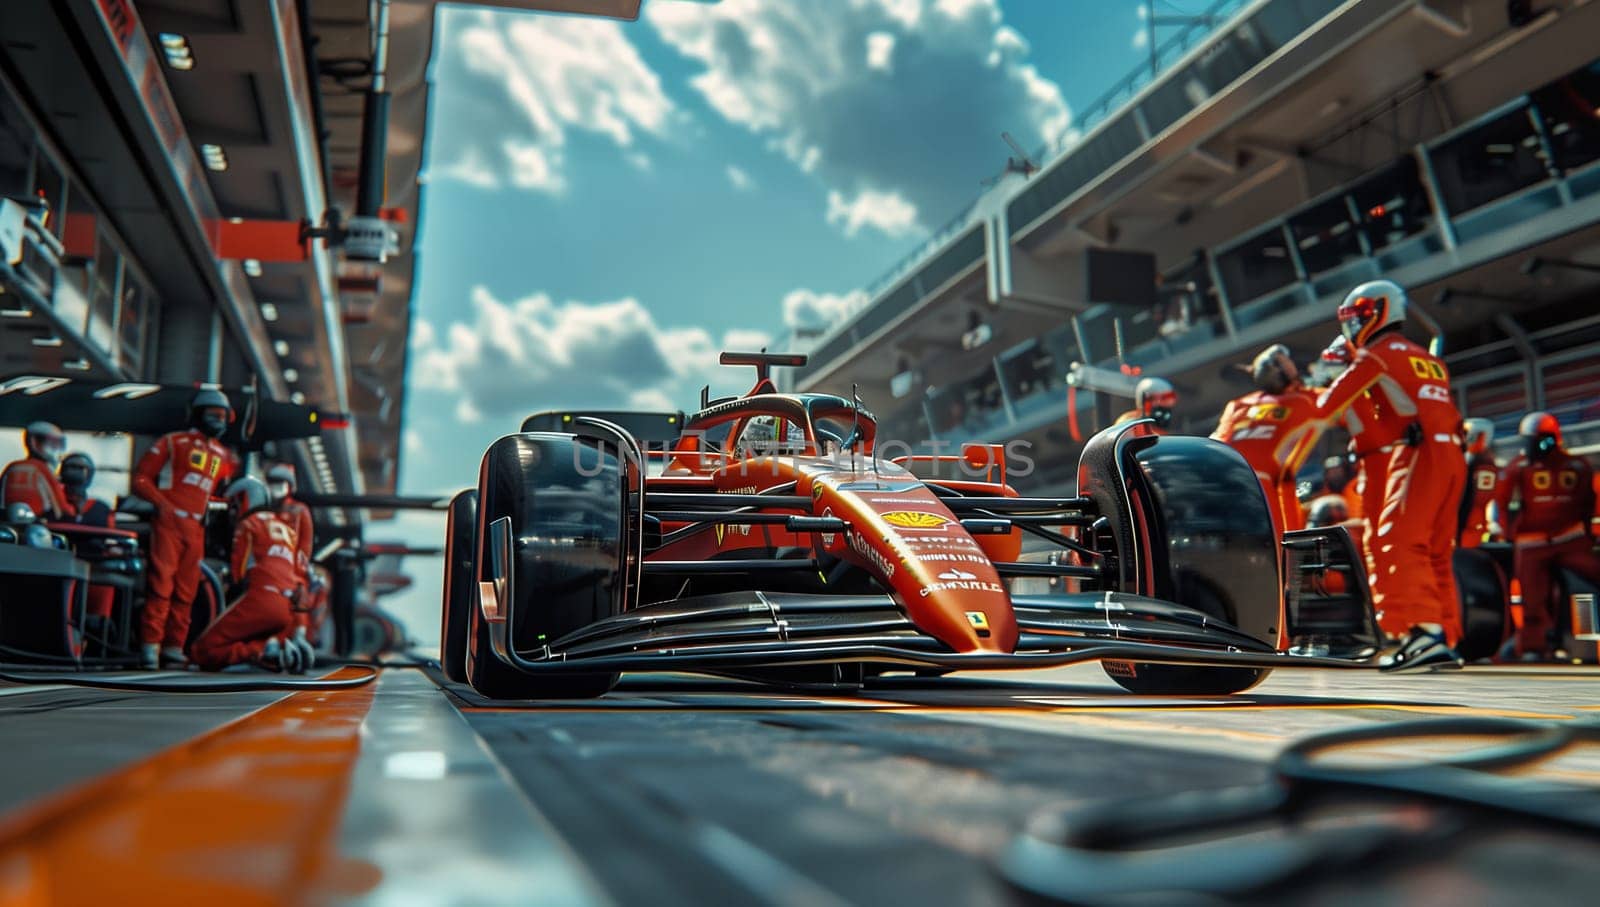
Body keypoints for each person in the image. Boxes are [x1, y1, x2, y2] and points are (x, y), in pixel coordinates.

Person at [1314, 279, 1465, 654]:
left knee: (1398, 539)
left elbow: (1327, 405)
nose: (1354, 325)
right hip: (1452, 455)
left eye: (1359, 316)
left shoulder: (1376, 354)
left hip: (1416, 454)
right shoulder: (1427, 358)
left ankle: (1422, 634)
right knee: (1436, 552)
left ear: (1378, 312)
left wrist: (1326, 378)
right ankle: (1445, 636)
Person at [130, 389, 239, 669]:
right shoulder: (171, 442)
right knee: (161, 585)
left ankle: (173, 647)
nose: (218, 420)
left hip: (196, 527)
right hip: (169, 522)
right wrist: (163, 505)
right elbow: (141, 480)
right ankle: (150, 648)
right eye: (212, 414)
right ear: (197, 414)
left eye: (222, 415)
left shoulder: (222, 454)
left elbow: (209, 491)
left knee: (187, 591)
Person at [1487, 413, 1600, 660]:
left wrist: (1591, 534)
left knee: (1590, 581)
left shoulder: (1578, 465)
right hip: (1533, 544)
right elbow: (1500, 502)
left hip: (1572, 541)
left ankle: (1579, 640)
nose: (1532, 446)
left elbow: (1591, 503)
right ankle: (1534, 648)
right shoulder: (1517, 467)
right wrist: (1505, 533)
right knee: (1532, 599)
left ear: (1553, 439)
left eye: (1538, 440)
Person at [190, 477, 313, 672]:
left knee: (201, 651)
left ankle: (260, 651)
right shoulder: (288, 531)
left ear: (244, 501)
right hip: (287, 608)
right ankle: (276, 651)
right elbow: (299, 574)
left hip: (261, 600)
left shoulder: (249, 523)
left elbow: (238, 573)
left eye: (235, 506)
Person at [1212, 344, 1323, 533]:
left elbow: (1217, 443)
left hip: (1251, 483)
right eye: (1283, 363)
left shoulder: (1239, 405)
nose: (1290, 365)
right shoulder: (1304, 399)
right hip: (1259, 484)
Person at [59, 452, 118, 624]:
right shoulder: (53, 501)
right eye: (71, 468)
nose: (75, 473)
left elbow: (111, 541)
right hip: (58, 563)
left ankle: (100, 626)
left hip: (94, 566)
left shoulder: (101, 508)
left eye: (80, 468)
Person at [1, 421, 72, 520]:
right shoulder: (42, 469)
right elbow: (61, 508)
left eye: (58, 444)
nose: (56, 449)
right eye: (52, 443)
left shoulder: (11, 467)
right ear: (34, 442)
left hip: (8, 524)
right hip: (41, 524)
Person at [1458, 419, 1499, 549]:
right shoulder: (1466, 461)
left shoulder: (1485, 466)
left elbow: (1481, 499)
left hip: (1472, 529)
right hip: (1464, 527)